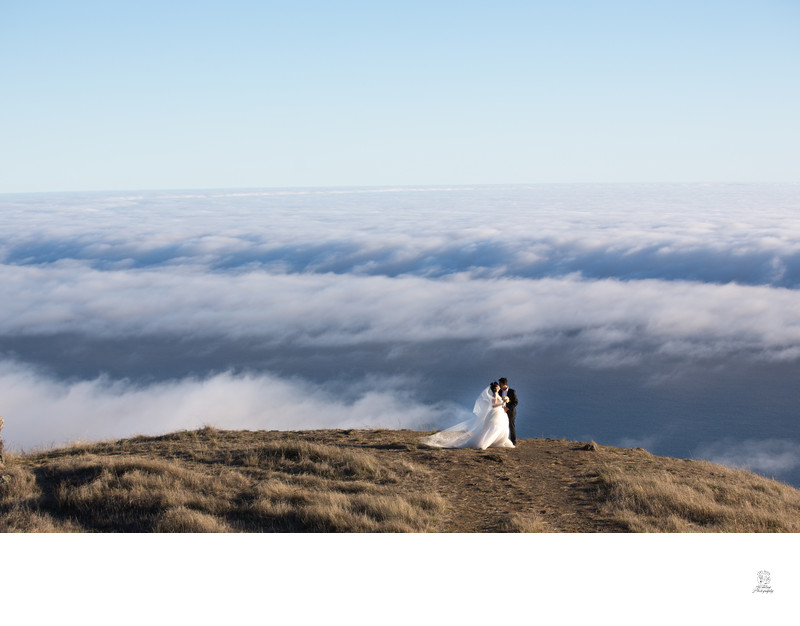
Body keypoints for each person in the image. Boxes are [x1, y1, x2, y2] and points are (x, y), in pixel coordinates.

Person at [421, 382, 515, 449]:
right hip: (496, 412)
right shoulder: (495, 394)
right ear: (496, 388)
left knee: (499, 428)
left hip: (499, 413)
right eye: (498, 386)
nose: (499, 387)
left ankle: (495, 441)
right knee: (494, 427)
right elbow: (494, 404)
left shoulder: (496, 394)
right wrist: (502, 403)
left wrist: (503, 402)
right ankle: (484, 442)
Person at [498, 377, 518, 445]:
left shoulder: (512, 391)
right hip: (502, 412)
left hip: (511, 412)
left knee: (511, 425)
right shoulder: (500, 392)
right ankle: (502, 440)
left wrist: (507, 408)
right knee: (502, 425)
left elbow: (515, 402)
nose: (499, 385)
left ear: (504, 384)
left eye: (500, 384)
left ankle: (513, 441)